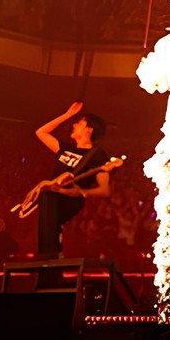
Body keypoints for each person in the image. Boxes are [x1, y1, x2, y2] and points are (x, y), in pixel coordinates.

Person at [33, 101, 111, 258]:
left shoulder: (97, 155)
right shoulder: (65, 148)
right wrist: (67, 115)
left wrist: (80, 192)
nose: (74, 125)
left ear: (89, 130)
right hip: (52, 196)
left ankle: (50, 257)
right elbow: (41, 132)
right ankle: (49, 259)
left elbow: (104, 189)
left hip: (69, 199)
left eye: (79, 123)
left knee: (49, 197)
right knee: (47, 197)